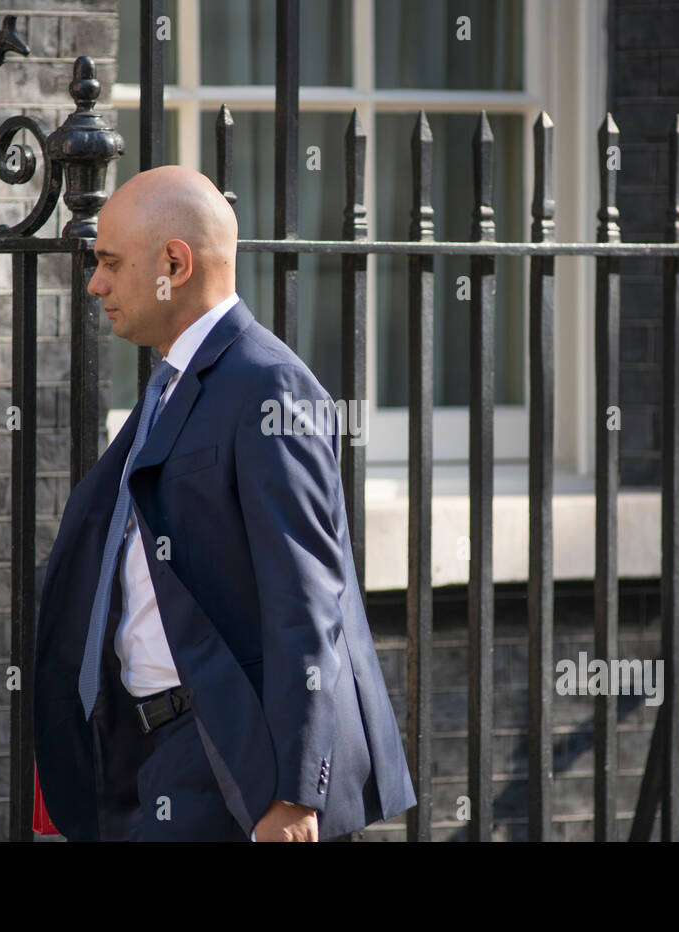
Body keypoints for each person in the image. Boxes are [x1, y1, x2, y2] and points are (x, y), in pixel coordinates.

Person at [33, 165, 416, 841]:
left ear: (173, 264)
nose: (96, 284)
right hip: (140, 756)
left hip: (228, 769)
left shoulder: (269, 384)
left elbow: (308, 601)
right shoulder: (170, 385)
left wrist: (297, 794)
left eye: (111, 263)